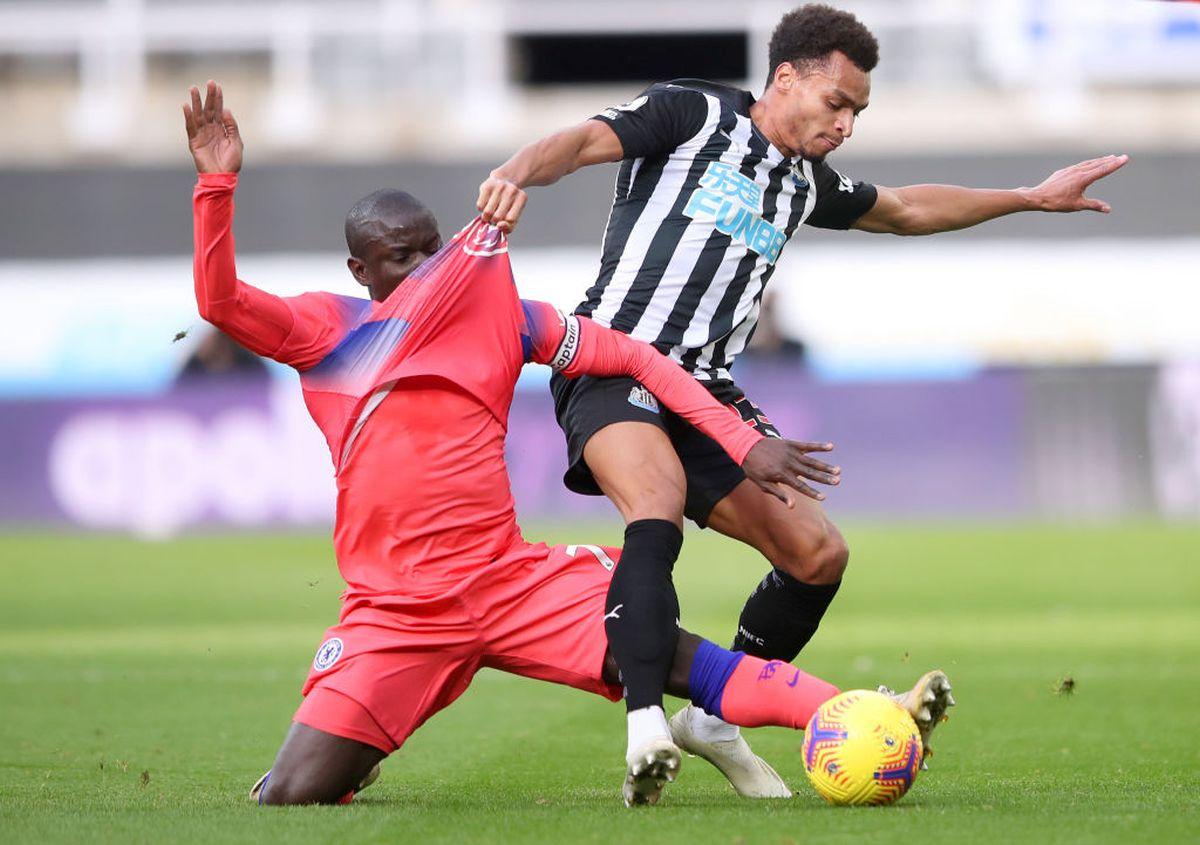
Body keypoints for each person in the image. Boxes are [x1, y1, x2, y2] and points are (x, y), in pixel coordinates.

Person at [184, 80, 951, 807]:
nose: (423, 268)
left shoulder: (504, 317)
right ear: (361, 269)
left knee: (670, 652)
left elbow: (637, 358)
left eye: (429, 248)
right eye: (399, 257)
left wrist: (736, 437)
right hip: (395, 610)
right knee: (291, 796)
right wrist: (216, 188)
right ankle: (361, 746)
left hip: (507, 582)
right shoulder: (327, 329)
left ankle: (861, 710)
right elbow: (218, 300)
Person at [476, 2, 1124, 799]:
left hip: (706, 393)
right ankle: (645, 725)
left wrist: (1029, 196)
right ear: (787, 78)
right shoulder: (693, 112)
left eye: (857, 111)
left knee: (818, 554)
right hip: (613, 364)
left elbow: (907, 209)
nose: (846, 124)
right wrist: (515, 172)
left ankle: (714, 718)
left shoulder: (802, 182)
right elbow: (580, 141)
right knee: (656, 504)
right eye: (837, 103)